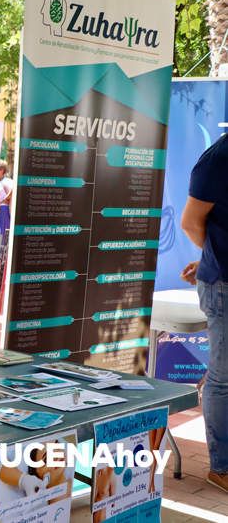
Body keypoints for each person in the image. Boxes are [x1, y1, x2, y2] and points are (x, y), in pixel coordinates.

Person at [180, 132, 228, 492]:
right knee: (223, 379)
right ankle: (221, 467)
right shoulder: (219, 159)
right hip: (224, 285)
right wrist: (213, 259)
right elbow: (191, 221)